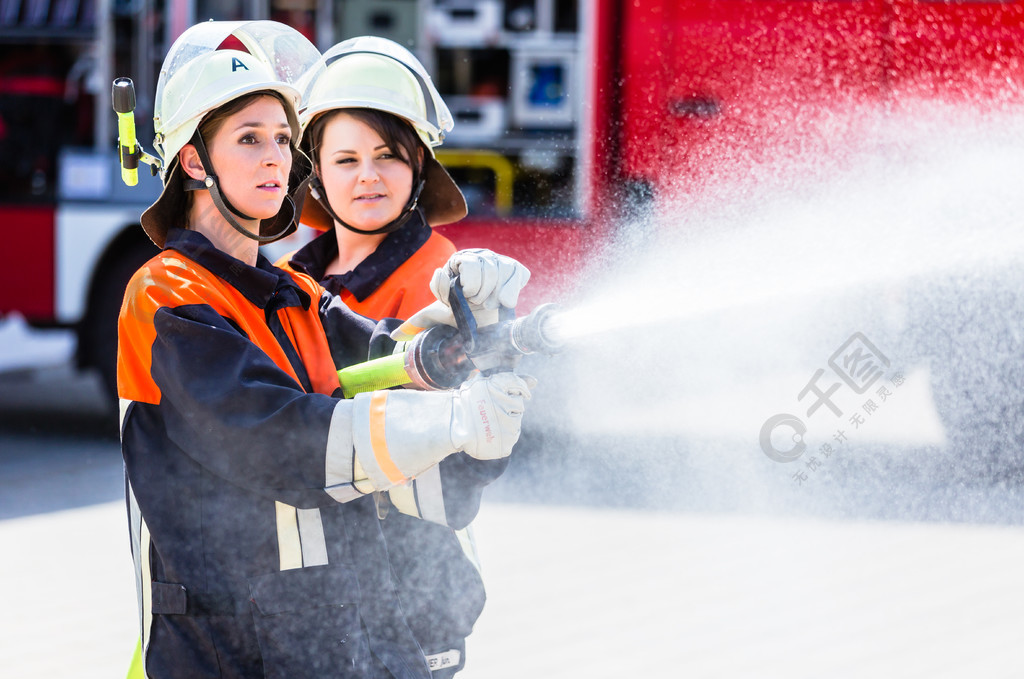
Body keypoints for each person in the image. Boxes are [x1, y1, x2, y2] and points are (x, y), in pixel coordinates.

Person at [117, 20, 533, 679]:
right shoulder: (167, 297)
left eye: (283, 138)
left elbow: (399, 370)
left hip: (335, 654)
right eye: (250, 139)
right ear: (194, 160)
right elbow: (276, 440)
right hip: (225, 661)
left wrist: (478, 334)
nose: (277, 158)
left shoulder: (298, 297)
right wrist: (447, 419)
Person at [277, 37, 508, 677]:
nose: (367, 175)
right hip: (322, 593)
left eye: (387, 155)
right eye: (344, 158)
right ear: (314, 172)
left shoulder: (445, 279)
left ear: (419, 167)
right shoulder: (293, 279)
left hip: (413, 595)